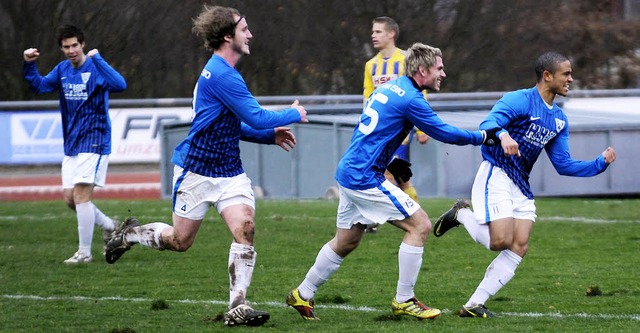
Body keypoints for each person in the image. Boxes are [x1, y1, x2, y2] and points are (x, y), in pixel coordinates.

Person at [103, 5, 307, 327]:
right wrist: (293, 113)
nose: (250, 34)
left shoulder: (223, 74)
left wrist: (269, 137)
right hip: (196, 171)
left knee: (246, 228)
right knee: (180, 242)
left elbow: (230, 126)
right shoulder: (223, 75)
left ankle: (237, 306)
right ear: (228, 36)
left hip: (229, 172)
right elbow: (255, 116)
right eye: (244, 29)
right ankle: (130, 234)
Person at [286, 43, 499, 321]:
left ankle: (302, 293)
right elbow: (445, 133)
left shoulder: (390, 87)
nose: (443, 74)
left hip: (351, 170)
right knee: (420, 225)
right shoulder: (411, 98)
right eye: (439, 68)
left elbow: (372, 130)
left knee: (346, 241)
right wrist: (483, 137)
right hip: (364, 176)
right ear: (422, 70)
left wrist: (384, 159)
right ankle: (404, 299)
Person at [433, 51, 617, 318]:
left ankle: (473, 305)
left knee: (519, 245)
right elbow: (489, 123)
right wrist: (505, 135)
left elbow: (563, 165)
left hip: (520, 183)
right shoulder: (520, 99)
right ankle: (461, 213)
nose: (571, 79)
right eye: (566, 74)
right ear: (547, 76)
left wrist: (599, 163)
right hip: (496, 172)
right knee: (500, 241)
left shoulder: (559, 120)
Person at [23, 24, 126, 264]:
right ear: (62, 48)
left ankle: (84, 253)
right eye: (66, 47)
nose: (71, 50)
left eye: (74, 45)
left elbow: (120, 85)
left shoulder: (96, 67)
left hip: (95, 140)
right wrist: (29, 64)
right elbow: (39, 86)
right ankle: (111, 226)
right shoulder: (62, 70)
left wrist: (98, 59)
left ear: (83, 45)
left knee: (81, 196)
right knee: (71, 199)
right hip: (72, 143)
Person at [363, 16, 429, 233]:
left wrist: (421, 127)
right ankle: (413, 214)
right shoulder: (370, 65)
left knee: (390, 175)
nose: (373, 35)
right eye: (373, 32)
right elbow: (368, 96)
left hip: (400, 131)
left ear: (391, 34)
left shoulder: (405, 60)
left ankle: (379, 217)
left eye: (378, 31)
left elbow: (419, 91)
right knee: (399, 180)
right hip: (378, 132)